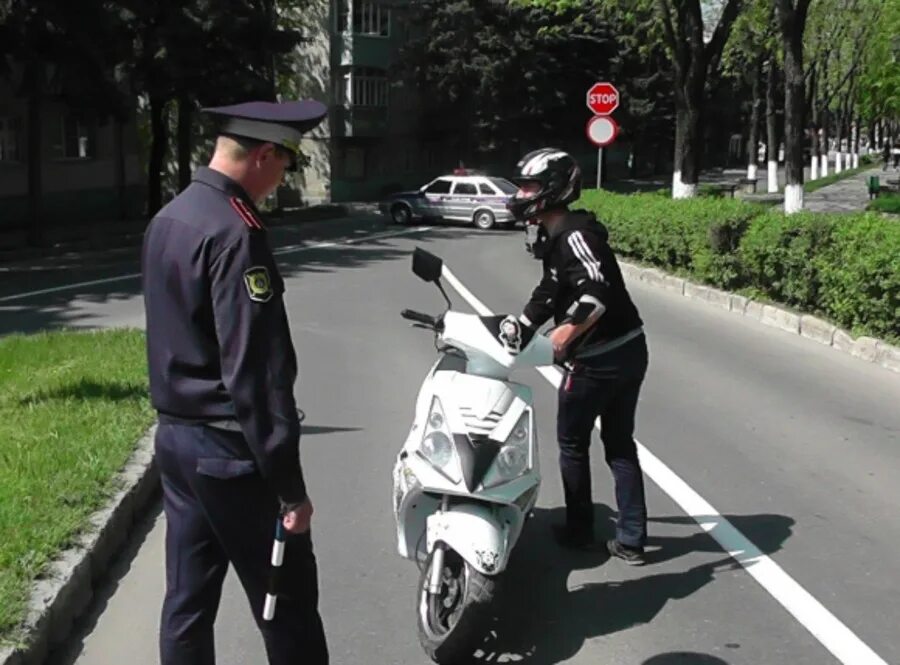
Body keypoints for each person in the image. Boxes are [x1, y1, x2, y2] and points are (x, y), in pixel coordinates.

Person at [141, 100, 329, 665]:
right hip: (232, 454)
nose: (280, 180)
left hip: (176, 442)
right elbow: (256, 373)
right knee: (287, 602)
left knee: (187, 602)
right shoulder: (236, 231)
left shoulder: (170, 217)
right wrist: (290, 489)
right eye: (285, 165)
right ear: (265, 154)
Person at [507, 148, 650, 565]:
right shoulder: (559, 234)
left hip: (600, 360)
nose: (522, 195)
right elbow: (550, 292)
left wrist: (562, 337)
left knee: (573, 444)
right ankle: (631, 540)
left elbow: (596, 292)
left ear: (553, 189)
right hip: (628, 349)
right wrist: (518, 326)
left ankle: (579, 530)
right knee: (620, 445)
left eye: (530, 187)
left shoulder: (575, 236)